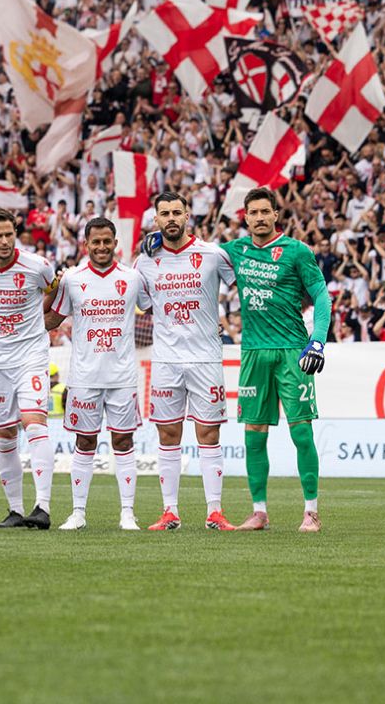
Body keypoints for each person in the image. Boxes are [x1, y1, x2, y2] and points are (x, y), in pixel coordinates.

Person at [223, 188, 331, 532]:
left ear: (275, 215)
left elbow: (321, 295)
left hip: (292, 351)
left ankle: (311, 511)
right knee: (254, 433)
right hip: (253, 351)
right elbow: (191, 254)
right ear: (245, 217)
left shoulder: (297, 252)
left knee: (301, 431)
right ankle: (259, 512)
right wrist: (155, 246)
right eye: (252, 212)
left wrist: (317, 341)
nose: (258, 217)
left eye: (264, 212)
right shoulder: (235, 251)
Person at [133, 191, 238, 531]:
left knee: (208, 433)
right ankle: (170, 511)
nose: (171, 218)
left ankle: (214, 511)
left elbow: (242, 283)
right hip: (165, 360)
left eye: (177, 212)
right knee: (168, 434)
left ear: (188, 215)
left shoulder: (212, 255)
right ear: (156, 220)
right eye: (164, 213)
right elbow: (145, 305)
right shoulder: (144, 261)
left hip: (206, 358)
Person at [46, 216, 148, 531]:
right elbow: (50, 321)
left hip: (122, 377)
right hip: (83, 377)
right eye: (96, 242)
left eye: (107, 241)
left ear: (115, 243)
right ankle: (78, 513)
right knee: (85, 442)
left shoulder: (132, 278)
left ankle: (128, 513)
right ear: (86, 244)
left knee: (123, 440)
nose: (102, 247)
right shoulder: (72, 279)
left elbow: (155, 307)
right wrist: (48, 291)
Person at [0, 208, 58, 529]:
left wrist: (41, 320)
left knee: (34, 424)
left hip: (31, 357)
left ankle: (42, 507)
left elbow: (55, 291)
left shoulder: (38, 266)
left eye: (10, 234)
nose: (5, 241)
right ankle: (16, 511)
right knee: (4, 435)